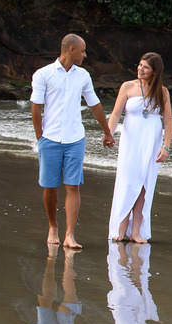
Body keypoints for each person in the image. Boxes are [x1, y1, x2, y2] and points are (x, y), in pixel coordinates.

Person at [31, 33, 115, 249]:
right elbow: (36, 107)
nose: (85, 55)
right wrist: (40, 136)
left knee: (73, 186)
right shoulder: (43, 74)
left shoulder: (83, 75)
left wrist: (107, 132)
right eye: (83, 50)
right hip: (49, 138)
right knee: (50, 187)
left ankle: (70, 235)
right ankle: (52, 226)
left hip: (75, 138)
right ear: (71, 49)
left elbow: (94, 104)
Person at [107, 52, 172, 243]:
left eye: (145, 67)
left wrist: (165, 147)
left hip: (151, 142)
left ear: (154, 71)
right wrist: (108, 134)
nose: (140, 69)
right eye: (139, 65)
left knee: (144, 186)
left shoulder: (162, 92)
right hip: (131, 141)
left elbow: (168, 122)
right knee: (128, 183)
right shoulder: (127, 87)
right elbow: (115, 114)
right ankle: (120, 228)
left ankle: (135, 231)